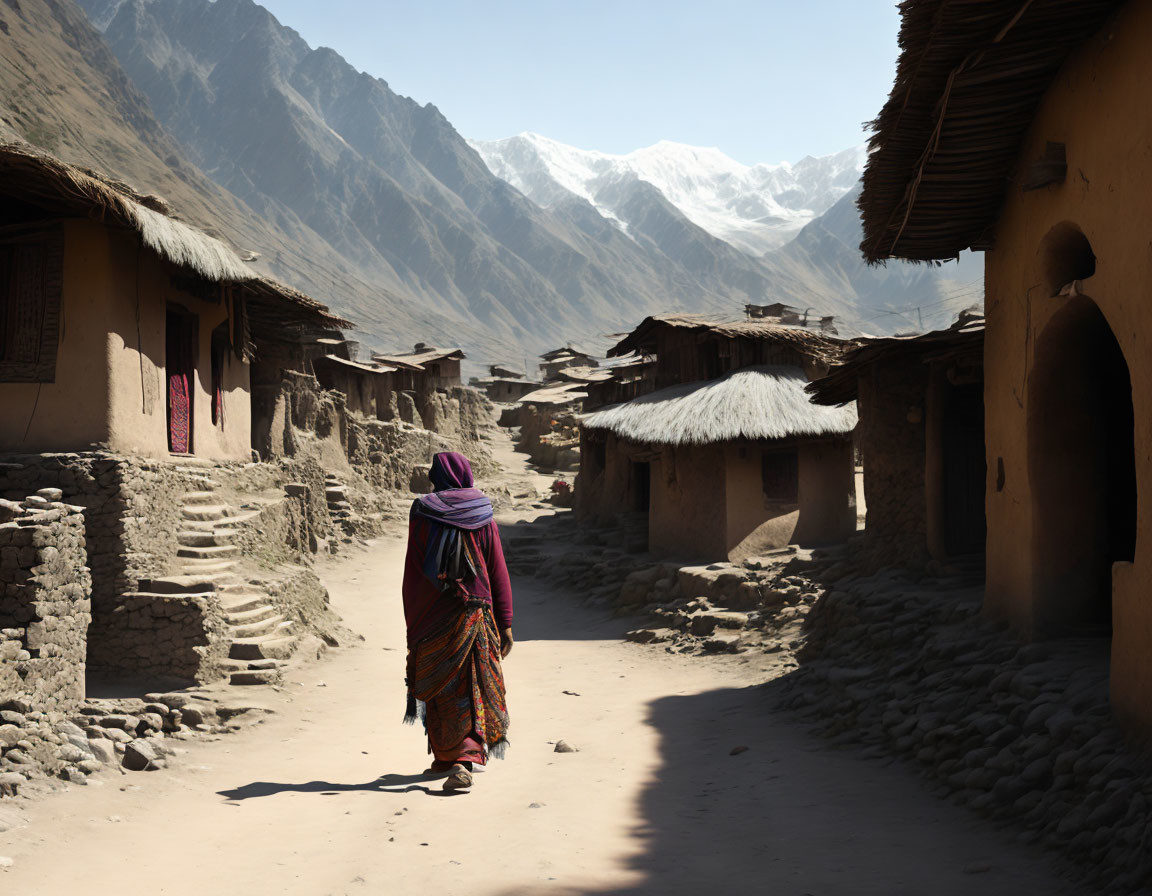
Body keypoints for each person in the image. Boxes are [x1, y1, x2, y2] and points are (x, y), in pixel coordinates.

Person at [401, 451, 513, 792]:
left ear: (437, 478)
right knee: (470, 685)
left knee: (444, 687)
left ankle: (461, 761)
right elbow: (496, 568)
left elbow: (414, 569)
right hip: (475, 613)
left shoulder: (423, 511)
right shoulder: (482, 513)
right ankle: (451, 757)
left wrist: (414, 618)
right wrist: (505, 620)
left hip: (434, 614)